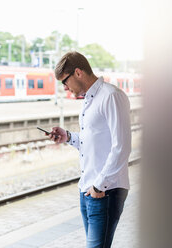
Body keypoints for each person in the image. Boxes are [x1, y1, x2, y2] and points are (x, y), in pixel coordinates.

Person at [48, 51, 131, 248]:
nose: (65, 88)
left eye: (64, 82)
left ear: (78, 72)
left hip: (105, 190)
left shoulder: (111, 96)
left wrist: (99, 186)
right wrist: (67, 137)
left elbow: (122, 147)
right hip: (88, 189)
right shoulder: (90, 99)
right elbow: (91, 142)